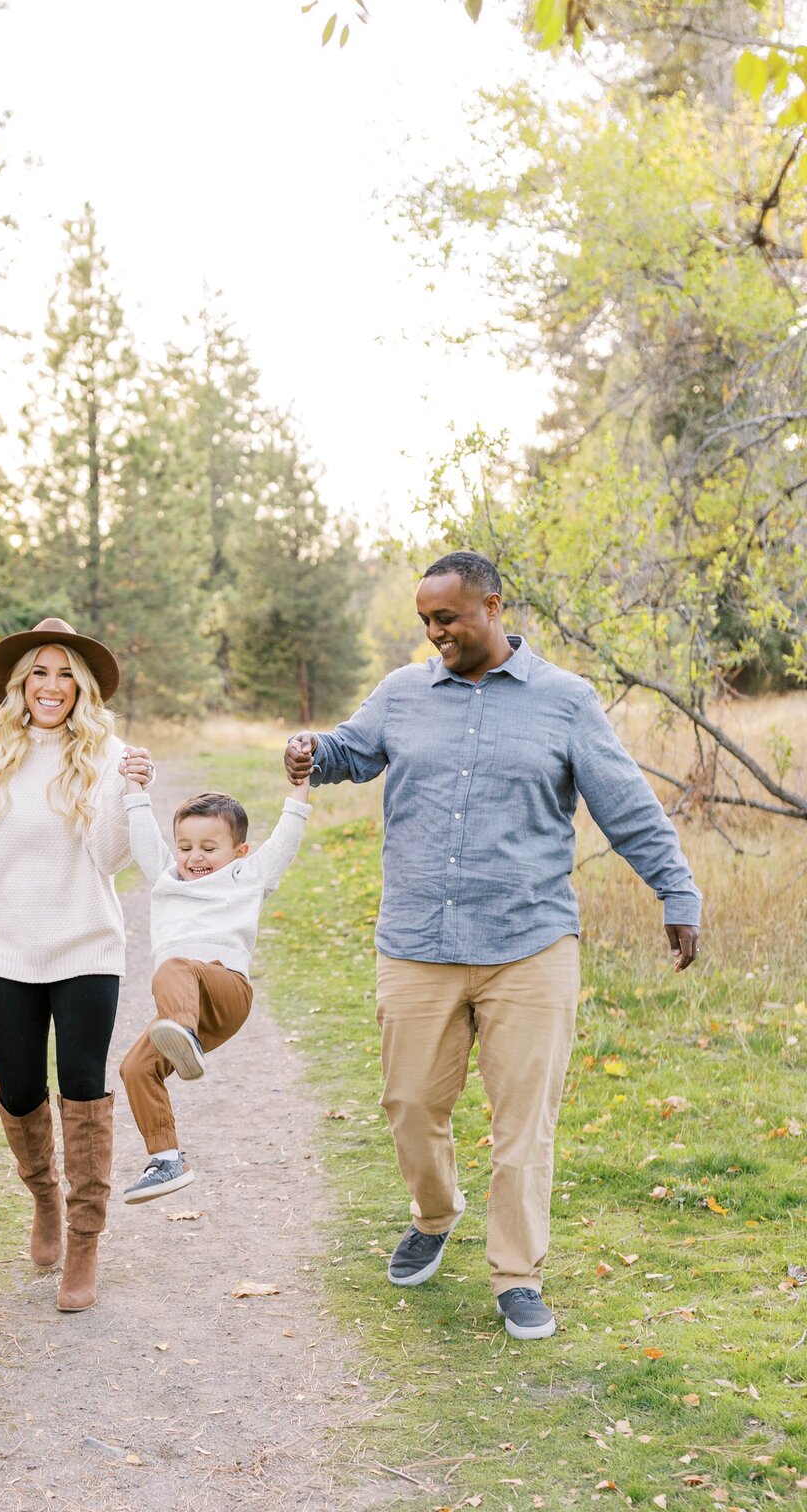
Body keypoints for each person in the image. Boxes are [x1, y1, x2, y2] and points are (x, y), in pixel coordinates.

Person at [284, 551, 702, 1342]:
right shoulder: (404, 693)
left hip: (530, 943)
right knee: (409, 1104)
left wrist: (675, 891)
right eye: (425, 621)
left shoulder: (565, 701)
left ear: (493, 606)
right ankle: (436, 1216)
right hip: (418, 941)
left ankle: (517, 1276)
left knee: (522, 1126)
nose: (434, 632)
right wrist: (311, 749)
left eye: (447, 617)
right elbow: (350, 750)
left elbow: (628, 807)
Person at [0, 617, 133, 1313]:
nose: (52, 687)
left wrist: (132, 791)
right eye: (39, 674)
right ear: (20, 685)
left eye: (65, 675)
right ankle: (46, 1196)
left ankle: (84, 1241)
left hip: (87, 946)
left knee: (82, 1088)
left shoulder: (112, 754)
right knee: (19, 1090)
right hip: (7, 953)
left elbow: (113, 857)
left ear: (82, 688)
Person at [116, 749, 312, 1202]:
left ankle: (183, 1035)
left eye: (208, 849)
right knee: (135, 1067)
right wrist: (133, 788)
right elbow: (143, 835)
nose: (194, 858)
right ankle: (166, 1161)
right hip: (182, 1010)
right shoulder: (167, 880)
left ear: (238, 851)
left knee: (175, 966)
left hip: (224, 993)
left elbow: (286, 839)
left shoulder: (249, 875)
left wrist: (302, 786)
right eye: (185, 848)